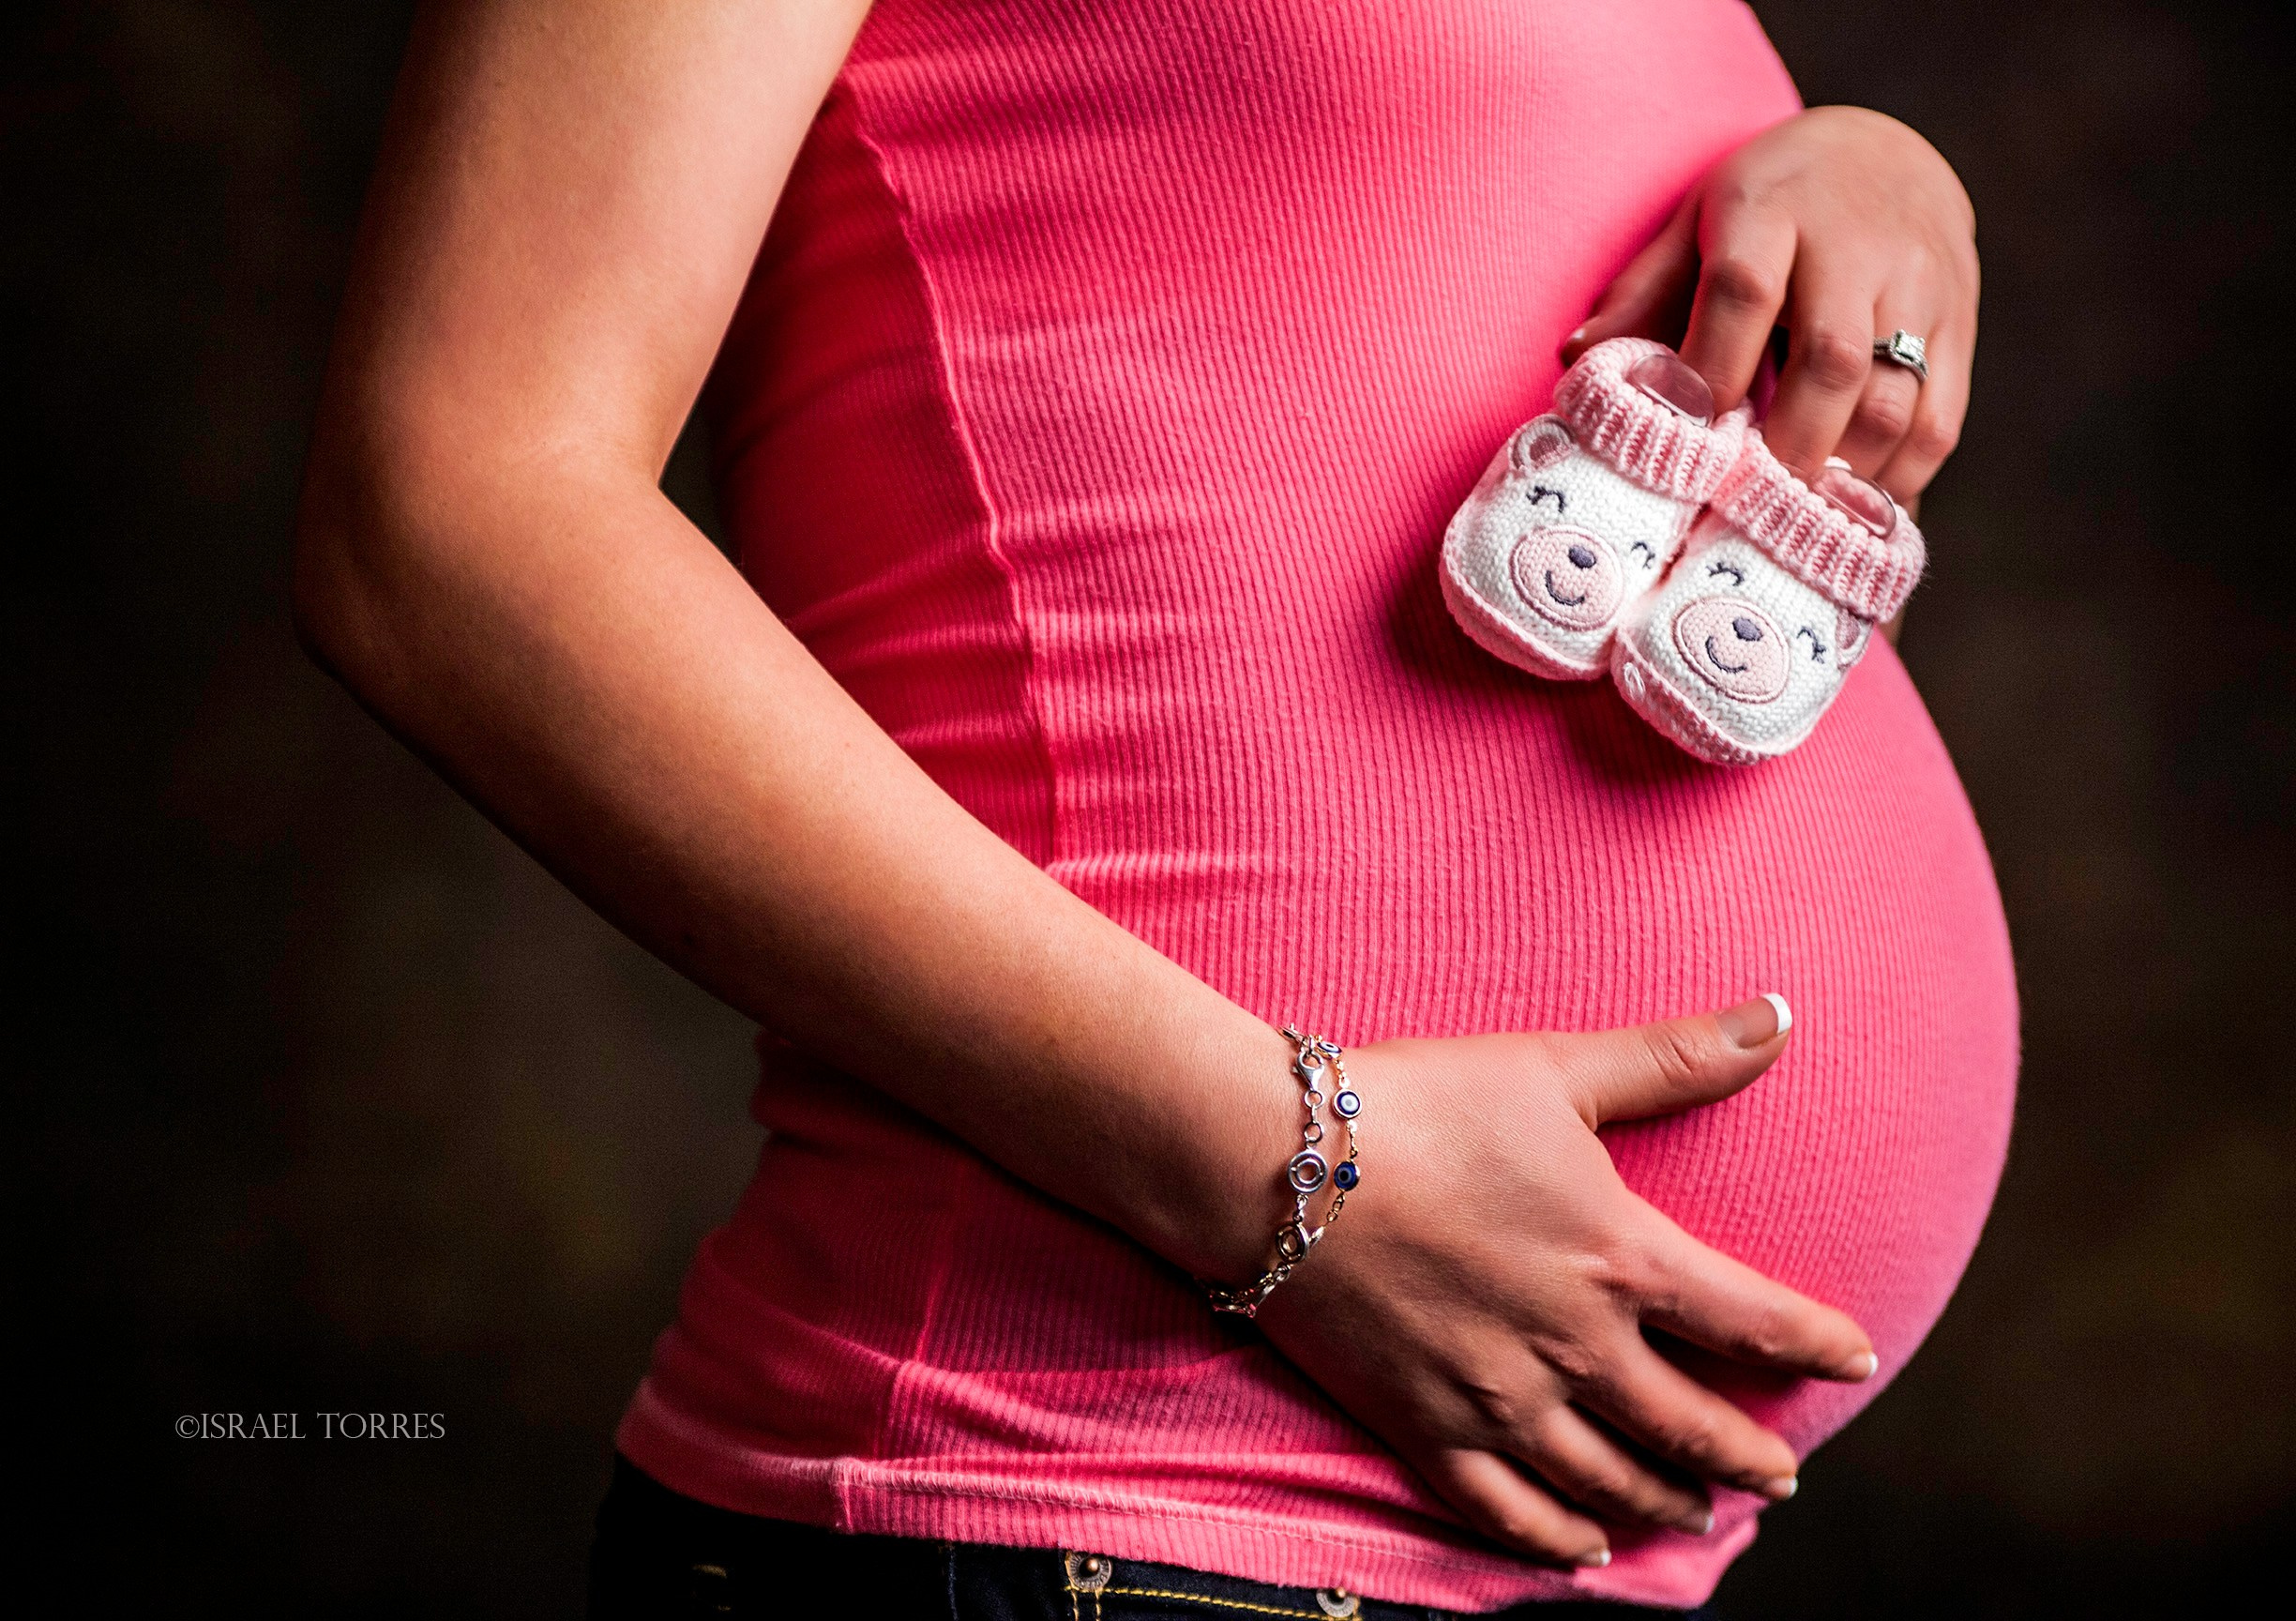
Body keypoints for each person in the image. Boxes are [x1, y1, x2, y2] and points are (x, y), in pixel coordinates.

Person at [292, 1, 2014, 1613]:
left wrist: (1859, 166)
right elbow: (453, 511)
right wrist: (1292, 1169)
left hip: (1500, 1547)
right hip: (1087, 1479)